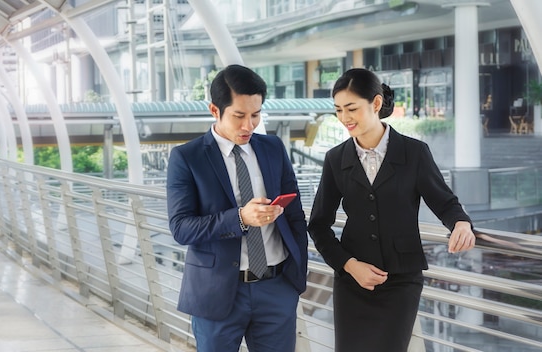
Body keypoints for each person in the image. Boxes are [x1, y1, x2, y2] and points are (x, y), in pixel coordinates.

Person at [307, 68, 476, 352]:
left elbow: (444, 201)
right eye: (338, 110)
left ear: (375, 104)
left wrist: (461, 223)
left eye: (352, 108)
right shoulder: (336, 159)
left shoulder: (414, 153)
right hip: (353, 281)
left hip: (401, 281)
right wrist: (350, 265)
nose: (344, 118)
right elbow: (318, 225)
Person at [167, 64, 308, 352]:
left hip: (276, 287)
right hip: (218, 293)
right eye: (239, 116)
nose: (249, 126)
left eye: (255, 115)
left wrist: (294, 279)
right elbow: (181, 228)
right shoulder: (187, 157)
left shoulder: (272, 148)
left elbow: (295, 214)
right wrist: (241, 217)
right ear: (215, 110)